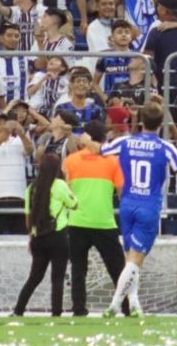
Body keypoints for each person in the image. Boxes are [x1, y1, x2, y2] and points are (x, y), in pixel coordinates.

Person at [101, 102, 177, 317]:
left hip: (127, 205)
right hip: (148, 207)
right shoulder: (166, 148)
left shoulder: (124, 142)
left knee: (132, 258)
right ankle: (115, 304)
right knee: (134, 261)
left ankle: (135, 303)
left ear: (140, 121)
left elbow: (100, 151)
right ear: (161, 124)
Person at [64, 121, 126, 316]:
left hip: (77, 221)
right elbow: (121, 192)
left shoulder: (71, 160)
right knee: (117, 268)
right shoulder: (113, 161)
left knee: (78, 269)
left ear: (87, 137)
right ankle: (126, 307)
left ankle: (79, 308)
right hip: (104, 221)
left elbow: (66, 189)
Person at [12, 152, 78, 316]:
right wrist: (68, 183)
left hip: (38, 238)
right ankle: (56, 312)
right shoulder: (60, 185)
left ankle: (19, 309)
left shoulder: (31, 188)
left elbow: (28, 216)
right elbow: (74, 205)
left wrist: (31, 236)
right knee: (57, 278)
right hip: (58, 236)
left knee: (34, 277)